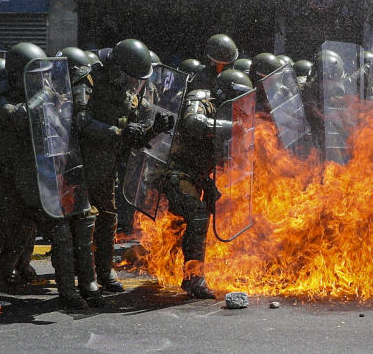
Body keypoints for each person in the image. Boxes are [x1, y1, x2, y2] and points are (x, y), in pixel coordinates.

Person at [0, 42, 99, 312]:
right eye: (35, 74)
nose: (42, 80)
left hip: (41, 176)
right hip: (10, 180)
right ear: (17, 75)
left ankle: (69, 294)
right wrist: (43, 97)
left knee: (60, 233)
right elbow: (18, 118)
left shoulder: (42, 92)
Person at [76, 38, 163, 292]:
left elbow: (135, 131)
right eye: (132, 77)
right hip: (79, 163)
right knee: (81, 222)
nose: (136, 84)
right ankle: (83, 276)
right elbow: (81, 121)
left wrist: (154, 129)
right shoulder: (89, 79)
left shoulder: (128, 90)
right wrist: (118, 131)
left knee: (108, 217)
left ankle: (104, 271)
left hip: (107, 165)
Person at [166, 68, 252, 299]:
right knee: (197, 215)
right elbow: (193, 123)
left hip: (198, 175)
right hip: (176, 170)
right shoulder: (201, 98)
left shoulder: (229, 112)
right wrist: (230, 127)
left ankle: (189, 270)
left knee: (215, 209)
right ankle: (194, 279)